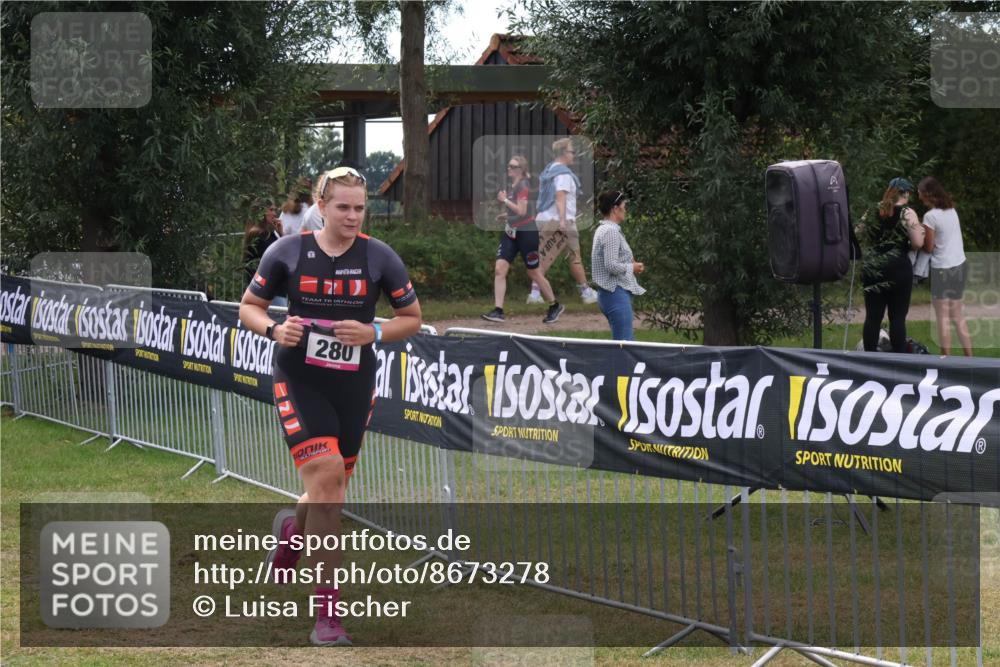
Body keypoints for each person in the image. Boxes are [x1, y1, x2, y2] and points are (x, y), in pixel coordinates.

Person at [238, 166, 422, 646]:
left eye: (360, 207)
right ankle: (328, 614)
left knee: (329, 490)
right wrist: (275, 329)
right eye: (343, 207)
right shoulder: (287, 251)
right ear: (321, 207)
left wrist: (375, 332)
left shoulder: (380, 257)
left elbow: (413, 319)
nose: (353, 216)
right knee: (325, 480)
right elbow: (248, 307)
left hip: (354, 385)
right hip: (299, 378)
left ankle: (290, 535)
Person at [481, 155, 564, 324]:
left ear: (520, 170)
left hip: (527, 233)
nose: (509, 168)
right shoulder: (513, 186)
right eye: (509, 165)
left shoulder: (523, 186)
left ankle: (554, 305)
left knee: (533, 272)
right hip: (511, 233)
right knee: (500, 269)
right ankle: (498, 310)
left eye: (512, 166)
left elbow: (521, 210)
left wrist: (504, 200)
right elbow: (518, 212)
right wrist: (506, 215)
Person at [528, 138, 598, 305]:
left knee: (543, 256)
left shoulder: (548, 171)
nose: (573, 155)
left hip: (543, 218)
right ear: (564, 153)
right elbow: (560, 197)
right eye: (571, 151)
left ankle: (535, 293)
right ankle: (586, 292)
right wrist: (562, 220)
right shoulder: (563, 174)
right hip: (562, 221)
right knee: (574, 256)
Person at [859, 177, 924, 353]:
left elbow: (859, 232)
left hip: (874, 266)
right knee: (897, 317)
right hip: (898, 267)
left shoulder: (873, 209)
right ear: (906, 193)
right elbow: (918, 243)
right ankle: (899, 359)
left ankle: (869, 357)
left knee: (872, 317)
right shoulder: (907, 213)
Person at [919, 176, 972, 356]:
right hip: (959, 265)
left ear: (927, 194)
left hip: (942, 268)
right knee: (957, 315)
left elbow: (928, 247)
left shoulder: (930, 216)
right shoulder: (951, 210)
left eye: (920, 193)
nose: (919, 197)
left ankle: (946, 360)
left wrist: (920, 232)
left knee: (942, 317)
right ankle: (969, 358)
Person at [592, 190, 645, 340]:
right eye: (624, 206)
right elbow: (611, 265)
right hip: (615, 293)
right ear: (615, 208)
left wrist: (630, 264)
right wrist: (631, 267)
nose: (625, 209)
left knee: (623, 344)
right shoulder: (610, 232)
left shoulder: (605, 229)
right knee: (625, 345)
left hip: (611, 293)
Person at [243, 199, 286, 306]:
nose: (274, 214)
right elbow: (280, 256)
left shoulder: (269, 233)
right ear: (261, 212)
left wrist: (281, 233)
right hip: (267, 290)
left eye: (275, 210)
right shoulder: (259, 234)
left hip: (273, 288)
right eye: (271, 210)